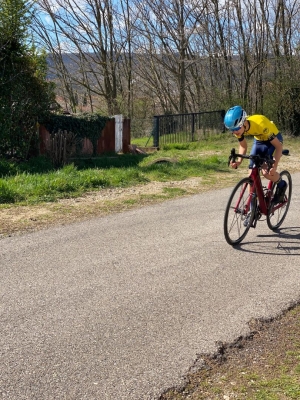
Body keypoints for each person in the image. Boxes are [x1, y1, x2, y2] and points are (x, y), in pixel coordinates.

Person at [224, 105, 287, 205]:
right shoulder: (238, 128)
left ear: (244, 122)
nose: (234, 132)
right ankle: (252, 208)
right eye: (232, 130)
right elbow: (243, 146)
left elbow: (279, 147)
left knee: (266, 173)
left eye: (236, 129)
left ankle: (281, 184)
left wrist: (274, 166)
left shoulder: (261, 124)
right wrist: (239, 161)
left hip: (273, 140)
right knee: (251, 175)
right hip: (259, 140)